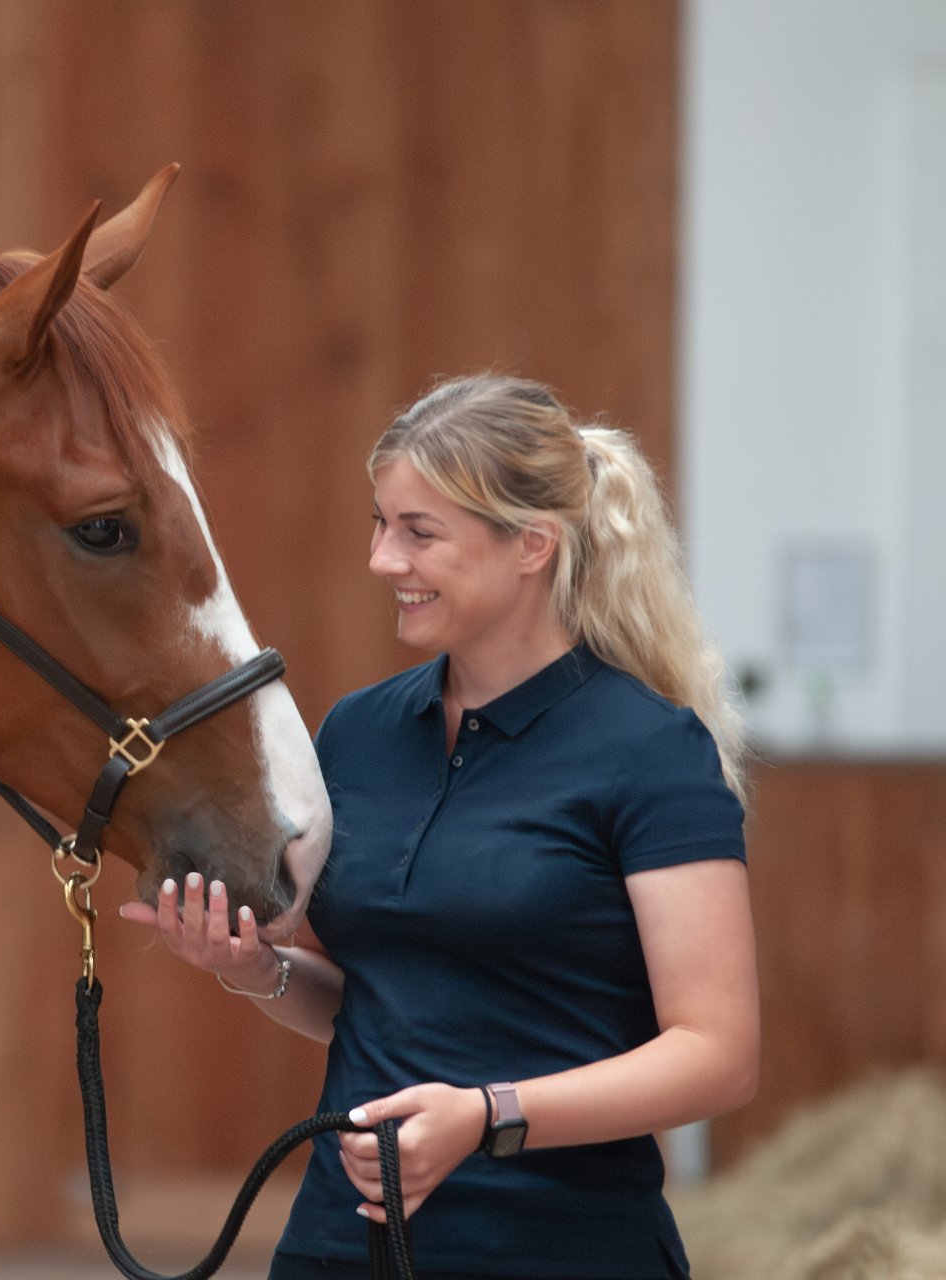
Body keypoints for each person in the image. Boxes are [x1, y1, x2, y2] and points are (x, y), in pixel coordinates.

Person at [117, 375, 759, 1280]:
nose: (384, 559)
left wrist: (488, 1115)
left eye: (419, 532)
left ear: (531, 545)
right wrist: (255, 969)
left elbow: (718, 1057)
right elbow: (372, 998)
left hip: (563, 1252)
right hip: (343, 1246)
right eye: (380, 524)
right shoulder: (358, 732)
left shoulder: (652, 752)